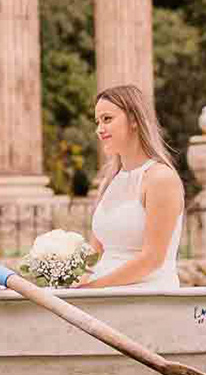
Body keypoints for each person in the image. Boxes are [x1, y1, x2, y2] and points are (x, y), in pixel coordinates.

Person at [75, 83, 184, 289]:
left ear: (134, 120)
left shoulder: (160, 178)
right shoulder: (110, 181)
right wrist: (73, 288)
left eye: (107, 119)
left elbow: (152, 259)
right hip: (100, 295)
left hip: (144, 296)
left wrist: (93, 289)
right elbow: (95, 252)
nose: (99, 129)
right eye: (97, 121)